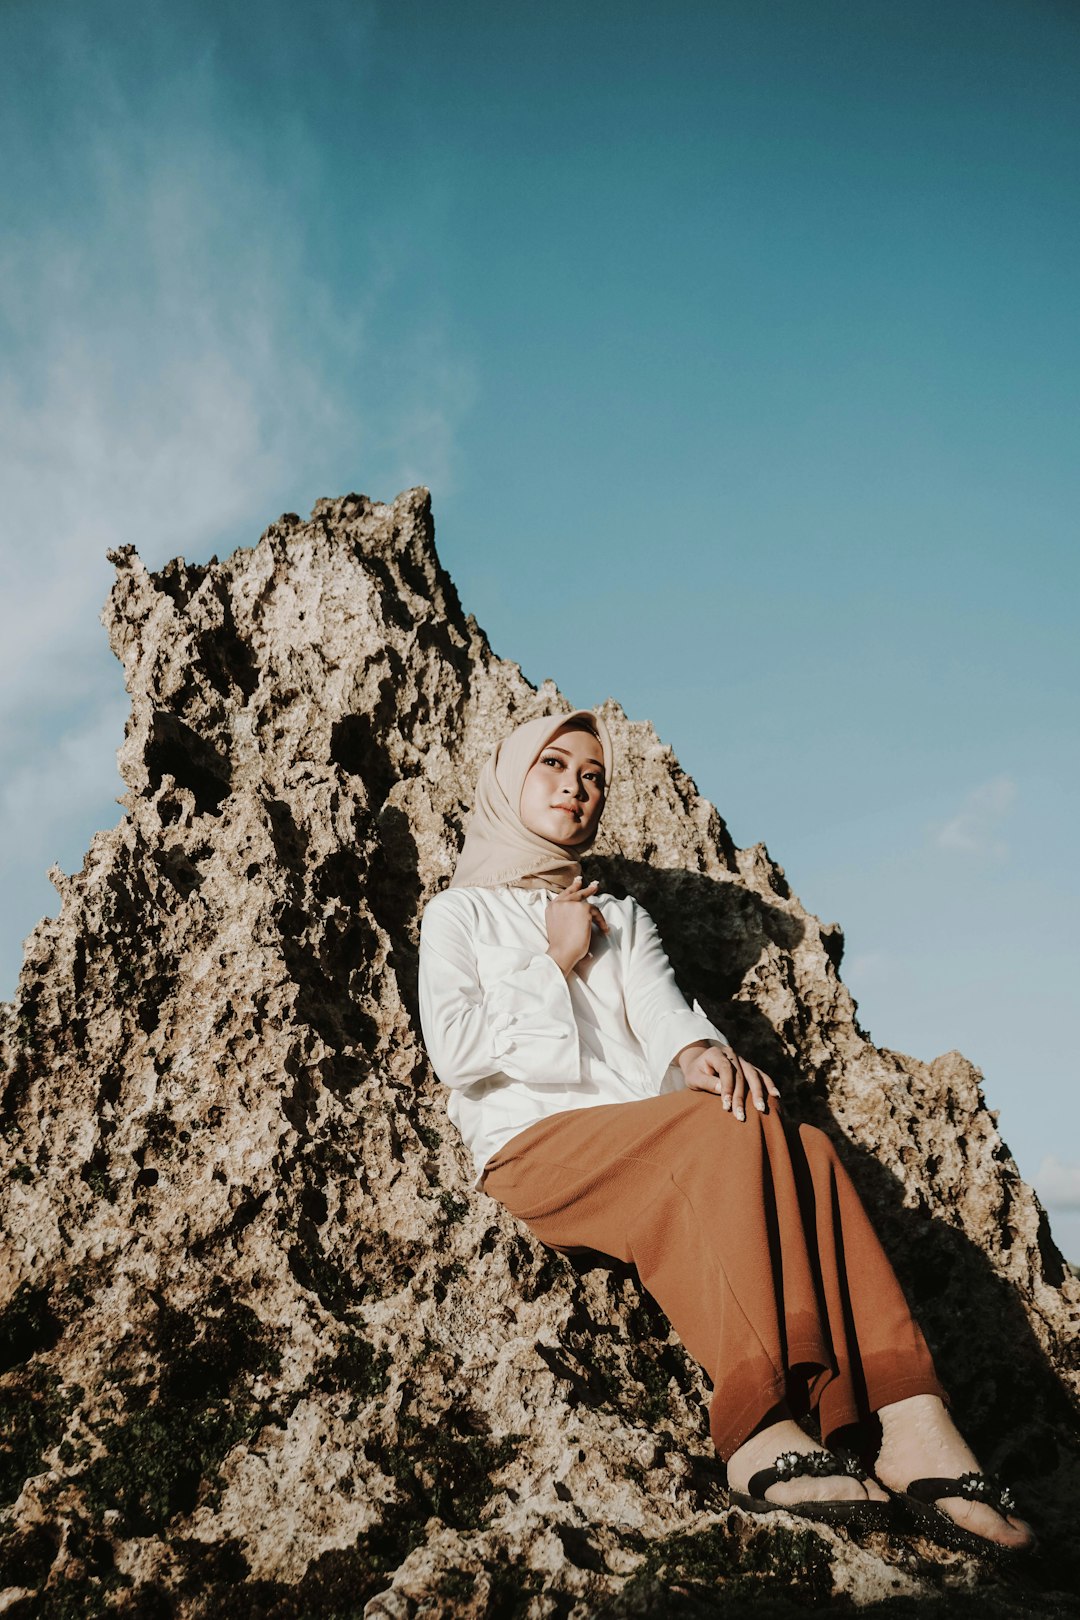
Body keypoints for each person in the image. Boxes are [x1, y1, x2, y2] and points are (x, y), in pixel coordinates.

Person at [417, 709, 1034, 1551]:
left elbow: (667, 1018)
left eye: (593, 776)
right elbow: (456, 1054)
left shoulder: (619, 916)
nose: (575, 785)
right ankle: (757, 1425)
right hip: (537, 1147)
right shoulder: (459, 915)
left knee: (796, 1139)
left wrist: (700, 1054)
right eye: (554, 765)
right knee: (706, 1137)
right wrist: (552, 959)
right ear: (511, 779)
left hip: (649, 1135)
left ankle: (912, 1419)